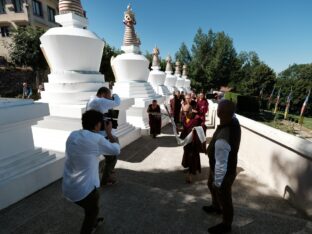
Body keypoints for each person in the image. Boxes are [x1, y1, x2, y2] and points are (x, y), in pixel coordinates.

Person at [62, 110, 121, 234]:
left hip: (67, 187)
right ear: (97, 125)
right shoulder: (97, 140)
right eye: (101, 123)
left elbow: (88, 144)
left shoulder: (73, 134)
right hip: (84, 190)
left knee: (90, 209)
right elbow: (116, 150)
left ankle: (93, 221)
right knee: (93, 210)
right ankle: (89, 227)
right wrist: (109, 134)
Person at [203, 100, 241, 234]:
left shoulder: (224, 137)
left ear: (220, 113)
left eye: (218, 108)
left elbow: (221, 163)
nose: (217, 110)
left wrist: (218, 182)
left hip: (224, 171)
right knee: (210, 184)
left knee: (224, 196)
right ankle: (215, 206)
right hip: (222, 166)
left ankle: (226, 224)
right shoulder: (233, 120)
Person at [86, 87, 121, 186]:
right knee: (113, 156)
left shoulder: (92, 99)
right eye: (109, 97)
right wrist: (115, 95)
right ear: (103, 95)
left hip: (97, 132)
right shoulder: (99, 101)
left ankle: (107, 169)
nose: (109, 99)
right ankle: (106, 179)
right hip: (100, 135)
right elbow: (117, 102)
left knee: (115, 146)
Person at [180, 104, 203, 183]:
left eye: (187, 111)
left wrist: (197, 129)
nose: (185, 113)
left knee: (192, 156)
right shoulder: (183, 118)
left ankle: (190, 174)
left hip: (194, 142)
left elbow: (202, 127)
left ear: (191, 110)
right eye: (184, 111)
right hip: (187, 141)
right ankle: (188, 167)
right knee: (187, 154)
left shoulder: (196, 119)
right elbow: (184, 128)